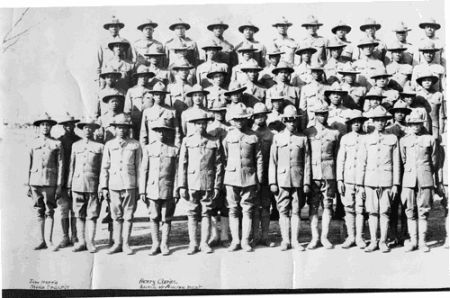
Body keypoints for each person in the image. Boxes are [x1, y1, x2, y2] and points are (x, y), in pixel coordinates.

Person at [178, 110, 224, 254]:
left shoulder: (214, 141)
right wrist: (181, 185)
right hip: (192, 182)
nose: (201, 126)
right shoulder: (187, 140)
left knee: (206, 213)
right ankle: (193, 243)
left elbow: (219, 165)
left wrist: (217, 185)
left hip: (208, 182)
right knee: (192, 213)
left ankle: (204, 243)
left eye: (203, 123)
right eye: (198, 124)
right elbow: (182, 165)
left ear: (207, 124)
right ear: (194, 125)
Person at [357, 106, 401, 253]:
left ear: (386, 122)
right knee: (372, 212)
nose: (380, 123)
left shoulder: (392, 138)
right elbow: (361, 162)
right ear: (373, 122)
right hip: (369, 181)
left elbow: (396, 163)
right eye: (377, 120)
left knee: (385, 212)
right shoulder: (366, 139)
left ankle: (383, 241)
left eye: (383, 120)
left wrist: (395, 184)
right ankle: (373, 241)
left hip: (387, 181)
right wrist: (360, 184)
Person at [269, 105, 311, 251]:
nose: (292, 123)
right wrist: (272, 181)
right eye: (288, 120)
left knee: (296, 210)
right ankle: (285, 240)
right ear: (284, 122)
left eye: (294, 121)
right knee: (283, 210)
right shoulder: (277, 138)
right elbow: (272, 162)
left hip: (298, 180)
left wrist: (306, 182)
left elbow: (307, 161)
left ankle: (295, 240)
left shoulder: (303, 138)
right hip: (282, 180)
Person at [99, 114, 142, 255]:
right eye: (119, 128)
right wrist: (104, 187)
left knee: (128, 216)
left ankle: (126, 244)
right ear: (115, 129)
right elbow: (105, 167)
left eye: (124, 128)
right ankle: (117, 243)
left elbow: (139, 167)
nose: (122, 130)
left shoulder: (135, 144)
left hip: (130, 184)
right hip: (114, 185)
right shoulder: (109, 145)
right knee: (116, 216)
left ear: (128, 129)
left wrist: (139, 189)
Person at [222, 103, 263, 252]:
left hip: (249, 177)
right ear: (232, 120)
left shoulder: (253, 136)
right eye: (236, 119)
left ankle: (245, 240)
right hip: (231, 177)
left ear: (246, 119)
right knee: (233, 209)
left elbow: (258, 158)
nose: (239, 121)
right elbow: (225, 156)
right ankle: (235, 241)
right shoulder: (228, 136)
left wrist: (258, 178)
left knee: (247, 209)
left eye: (242, 119)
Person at [139, 118, 179, 256]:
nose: (161, 134)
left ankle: (165, 244)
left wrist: (176, 190)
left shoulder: (174, 150)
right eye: (159, 131)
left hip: (168, 188)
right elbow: (144, 170)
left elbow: (177, 172)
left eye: (164, 131)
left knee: (167, 218)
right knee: (154, 217)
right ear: (155, 132)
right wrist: (142, 190)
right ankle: (155, 243)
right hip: (152, 189)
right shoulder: (148, 148)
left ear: (168, 132)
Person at [400, 109, 437, 252]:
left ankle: (422, 241)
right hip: (409, 179)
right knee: (410, 211)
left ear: (422, 124)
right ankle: (413, 241)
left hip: (425, 178)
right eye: (412, 124)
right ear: (409, 125)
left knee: (423, 211)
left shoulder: (429, 139)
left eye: (418, 124)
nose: (415, 126)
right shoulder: (404, 140)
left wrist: (428, 173)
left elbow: (434, 160)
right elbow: (403, 160)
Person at [304, 102, 340, 249]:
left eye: (324, 113)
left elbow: (338, 156)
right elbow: (305, 156)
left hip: (329, 173)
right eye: (319, 114)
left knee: (328, 204)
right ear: (314, 115)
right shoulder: (309, 132)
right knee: (313, 206)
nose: (322, 116)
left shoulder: (335, 133)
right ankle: (315, 237)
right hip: (313, 173)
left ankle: (325, 237)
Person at [66, 118, 104, 253]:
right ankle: (81, 241)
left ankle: (91, 242)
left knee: (92, 215)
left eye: (90, 128)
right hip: (77, 184)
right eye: (85, 128)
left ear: (94, 130)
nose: (88, 130)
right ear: (82, 130)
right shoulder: (75, 146)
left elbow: (102, 169)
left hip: (93, 185)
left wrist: (101, 186)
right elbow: (72, 166)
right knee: (78, 214)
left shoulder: (100, 147)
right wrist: (69, 184)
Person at [28, 113, 63, 251]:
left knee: (49, 211)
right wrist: (28, 184)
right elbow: (28, 164)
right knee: (38, 210)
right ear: (39, 127)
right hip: (35, 181)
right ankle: (40, 240)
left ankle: (49, 241)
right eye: (42, 124)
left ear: (51, 127)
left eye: (48, 125)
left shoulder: (56, 143)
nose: (45, 127)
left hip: (50, 181)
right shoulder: (33, 143)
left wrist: (59, 184)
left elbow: (61, 165)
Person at [336, 110, 368, 249]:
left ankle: (360, 237)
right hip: (347, 179)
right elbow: (340, 160)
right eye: (354, 122)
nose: (356, 124)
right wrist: (339, 179)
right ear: (350, 124)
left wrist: (366, 181)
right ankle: (350, 236)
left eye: (359, 122)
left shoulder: (367, 138)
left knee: (360, 209)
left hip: (362, 179)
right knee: (348, 208)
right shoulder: (345, 138)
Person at [207, 100, 231, 247]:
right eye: (217, 112)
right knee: (212, 202)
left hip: (228, 168)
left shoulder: (230, 128)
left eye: (222, 111)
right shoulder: (209, 129)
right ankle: (214, 234)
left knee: (226, 203)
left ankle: (225, 236)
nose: (219, 114)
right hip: (214, 168)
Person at [56, 113, 81, 249]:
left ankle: (75, 236)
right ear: (63, 127)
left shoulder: (79, 141)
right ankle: (65, 237)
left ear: (74, 125)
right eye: (66, 125)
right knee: (64, 209)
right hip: (63, 181)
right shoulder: (58, 141)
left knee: (75, 209)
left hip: (77, 180)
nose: (69, 127)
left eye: (71, 124)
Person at [251, 103, 275, 247]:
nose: (260, 119)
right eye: (257, 116)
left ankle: (265, 236)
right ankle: (254, 236)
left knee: (266, 206)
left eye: (262, 116)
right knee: (253, 207)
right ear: (253, 118)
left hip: (266, 174)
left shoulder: (271, 135)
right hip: (251, 175)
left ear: (266, 116)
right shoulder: (249, 133)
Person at [140, 82, 180, 147]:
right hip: (152, 147)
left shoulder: (172, 111)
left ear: (164, 96)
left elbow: (177, 132)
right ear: (153, 96)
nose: (159, 97)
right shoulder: (147, 112)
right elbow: (143, 133)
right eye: (156, 94)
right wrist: (144, 148)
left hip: (168, 147)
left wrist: (177, 147)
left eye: (161, 95)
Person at [97, 16, 134, 85]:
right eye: (111, 26)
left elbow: (129, 58)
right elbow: (99, 60)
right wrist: (98, 76)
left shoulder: (125, 42)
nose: (114, 28)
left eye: (116, 26)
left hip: (122, 71)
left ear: (119, 28)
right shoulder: (103, 43)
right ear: (108, 28)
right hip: (107, 72)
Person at [124, 65, 154, 139]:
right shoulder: (131, 90)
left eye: (146, 76)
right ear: (137, 77)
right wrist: (129, 121)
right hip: (135, 120)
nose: (143, 79)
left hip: (149, 119)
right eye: (141, 76)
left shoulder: (152, 91)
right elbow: (127, 109)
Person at [415, 70, 443, 139]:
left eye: (429, 80)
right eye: (424, 80)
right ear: (421, 82)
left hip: (435, 126)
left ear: (433, 82)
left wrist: (441, 129)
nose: (427, 82)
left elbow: (441, 114)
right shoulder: (417, 95)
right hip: (421, 126)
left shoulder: (438, 95)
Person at [437, 118, 449, 249]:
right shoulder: (443, 138)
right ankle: (449, 237)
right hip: (447, 177)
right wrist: (439, 181)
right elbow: (439, 161)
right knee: (448, 208)